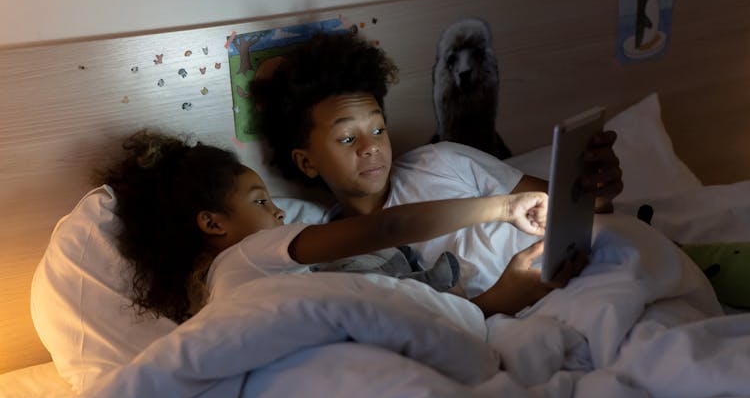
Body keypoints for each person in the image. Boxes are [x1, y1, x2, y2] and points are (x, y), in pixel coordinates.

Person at [249, 31, 623, 316]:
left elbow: (584, 210)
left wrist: (598, 188)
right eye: (347, 138)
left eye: (378, 129)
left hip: (585, 285)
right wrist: (502, 298)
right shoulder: (336, 253)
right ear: (306, 162)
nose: (371, 146)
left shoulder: (443, 162)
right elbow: (420, 334)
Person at [97, 131, 549, 323]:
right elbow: (391, 228)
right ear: (213, 223)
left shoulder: (226, 294)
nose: (280, 215)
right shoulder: (248, 257)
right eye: (260, 201)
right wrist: (504, 208)